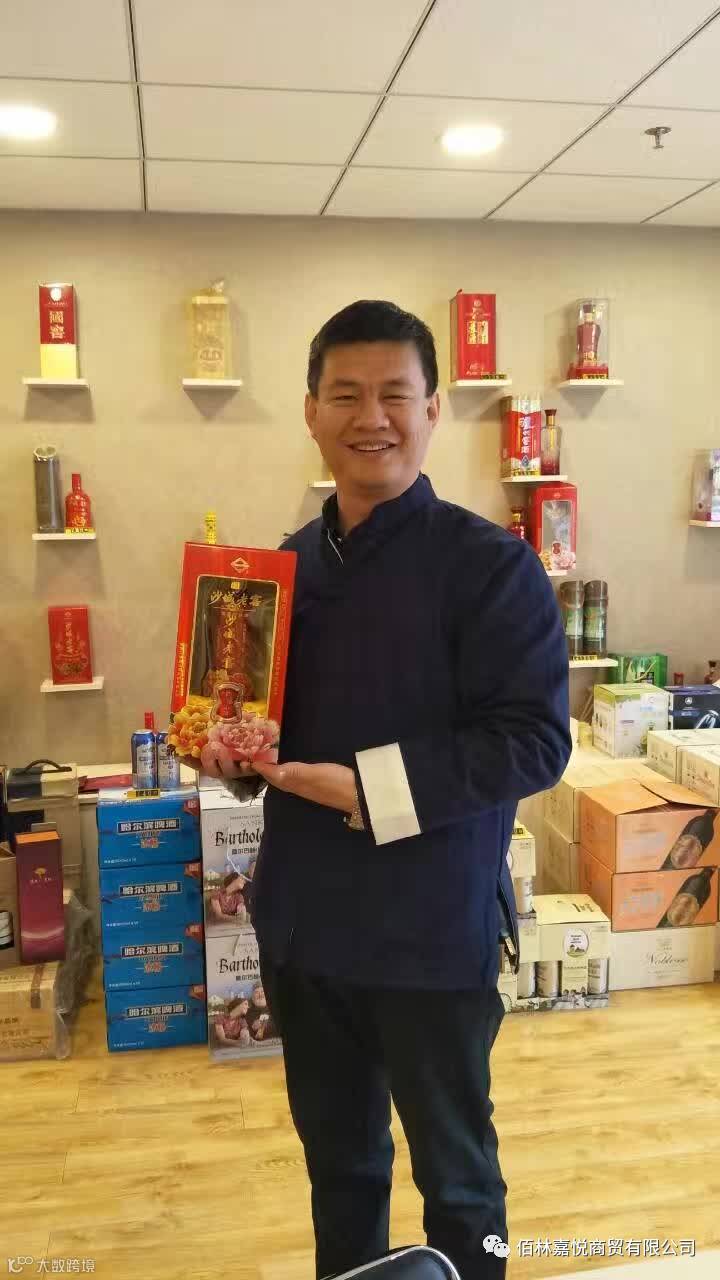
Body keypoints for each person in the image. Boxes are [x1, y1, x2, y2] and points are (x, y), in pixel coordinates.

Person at [204, 300, 571, 1279]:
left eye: (395, 395)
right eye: (346, 395)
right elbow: (267, 734)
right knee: (341, 1169)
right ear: (312, 412)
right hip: (305, 929)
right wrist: (233, 755)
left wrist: (365, 787)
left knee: (460, 1178)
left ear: (433, 409)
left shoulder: (490, 566)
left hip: (432, 931)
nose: (372, 418)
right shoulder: (279, 569)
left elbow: (535, 742)